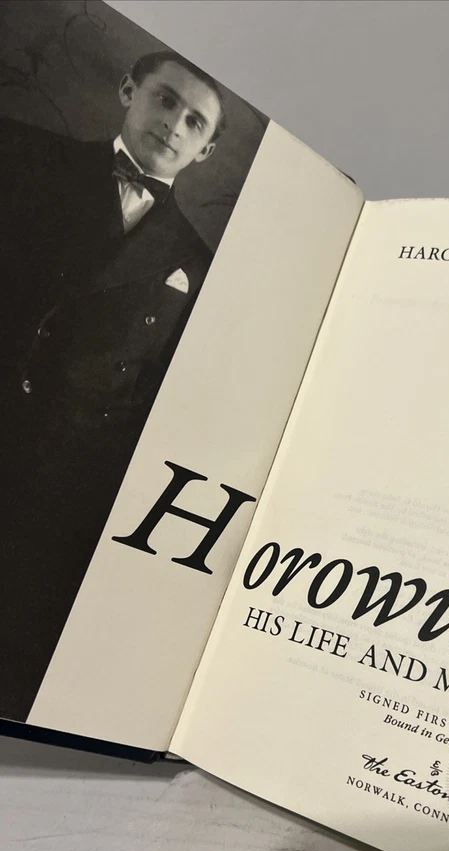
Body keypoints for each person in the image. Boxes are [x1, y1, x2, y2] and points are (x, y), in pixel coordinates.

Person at [0, 52, 226, 722]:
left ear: (206, 150)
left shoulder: (195, 262)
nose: (174, 125)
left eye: (194, 121)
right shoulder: (25, 157)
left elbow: (151, 395)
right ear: (130, 90)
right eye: (165, 99)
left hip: (54, 475)